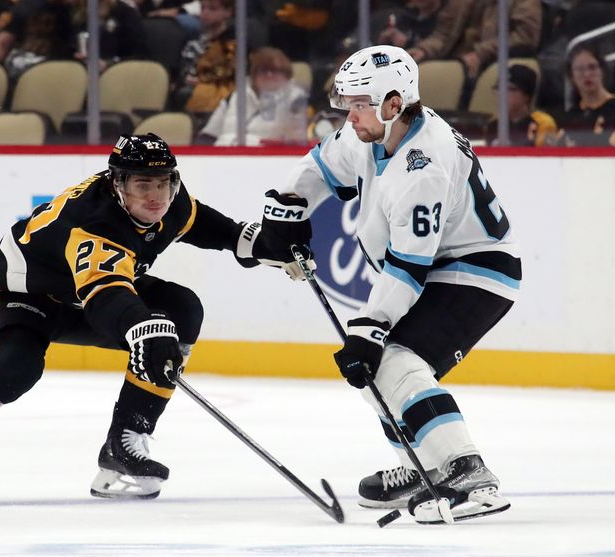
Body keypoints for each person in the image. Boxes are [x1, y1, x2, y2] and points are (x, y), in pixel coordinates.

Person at [0, 132, 304, 504]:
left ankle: (122, 449)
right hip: (18, 293)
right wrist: (141, 328)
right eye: (140, 185)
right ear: (116, 184)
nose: (154, 195)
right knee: (15, 367)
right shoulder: (94, 220)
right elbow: (106, 297)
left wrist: (269, 244)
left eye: (162, 183)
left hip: (84, 294)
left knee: (181, 310)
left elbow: (218, 231)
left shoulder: (172, 200)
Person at [256, 45, 520, 523]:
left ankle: (470, 474)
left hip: (477, 270)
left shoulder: (424, 163)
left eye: (359, 104)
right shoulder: (371, 129)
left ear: (394, 103)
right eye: (350, 103)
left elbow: (408, 267)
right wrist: (288, 209)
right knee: (374, 367)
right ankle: (427, 470)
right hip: (439, 265)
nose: (349, 114)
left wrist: (371, 325)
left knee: (392, 356)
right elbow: (319, 166)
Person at [198, 46, 308, 146]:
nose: (269, 75)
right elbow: (208, 136)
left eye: (275, 70)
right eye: (263, 70)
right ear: (254, 74)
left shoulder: (296, 100)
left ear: (286, 75)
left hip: (266, 161)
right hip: (222, 157)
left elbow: (295, 142)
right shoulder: (235, 96)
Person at [554, 43, 615, 147]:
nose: (587, 74)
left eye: (592, 67)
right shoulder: (570, 117)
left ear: (602, 70)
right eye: (580, 69)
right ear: (571, 77)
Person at [487, 64, 557, 147]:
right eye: (499, 88)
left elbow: (546, 157)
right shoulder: (493, 126)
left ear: (527, 96)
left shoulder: (543, 123)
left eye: (510, 89)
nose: (502, 94)